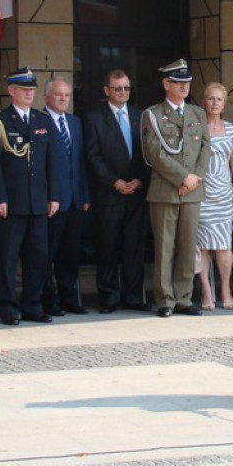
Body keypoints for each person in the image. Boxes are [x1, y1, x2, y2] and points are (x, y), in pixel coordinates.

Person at [0, 67, 61, 325]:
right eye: (23, 90)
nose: (28, 94)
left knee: (38, 257)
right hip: (11, 202)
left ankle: (32, 305)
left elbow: (52, 162)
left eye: (31, 90)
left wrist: (54, 196)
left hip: (38, 202)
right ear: (11, 91)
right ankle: (8, 307)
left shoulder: (42, 120)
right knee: (7, 258)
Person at [141, 59, 211, 317]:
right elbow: (155, 153)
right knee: (165, 246)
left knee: (187, 244)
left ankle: (184, 296)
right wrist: (183, 178)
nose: (184, 87)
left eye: (187, 82)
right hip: (166, 190)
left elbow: (206, 148)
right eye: (179, 82)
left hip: (192, 191)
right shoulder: (153, 114)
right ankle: (165, 299)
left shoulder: (197, 113)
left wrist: (195, 178)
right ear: (166, 84)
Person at [84, 69, 151, 313]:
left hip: (136, 193)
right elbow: (92, 156)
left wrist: (139, 181)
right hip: (109, 194)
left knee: (134, 248)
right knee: (109, 247)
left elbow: (149, 154)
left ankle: (133, 297)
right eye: (118, 88)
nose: (123, 92)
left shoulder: (140, 116)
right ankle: (109, 298)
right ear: (107, 91)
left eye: (126, 88)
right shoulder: (94, 118)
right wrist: (115, 182)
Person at [42, 78, 90, 316]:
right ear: (47, 97)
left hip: (74, 199)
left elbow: (80, 161)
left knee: (70, 254)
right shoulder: (38, 121)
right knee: (48, 253)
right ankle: (48, 300)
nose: (63, 99)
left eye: (66, 95)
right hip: (52, 201)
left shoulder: (75, 122)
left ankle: (69, 298)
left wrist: (84, 194)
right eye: (58, 95)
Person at [196, 82, 233, 310]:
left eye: (219, 99)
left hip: (224, 193)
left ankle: (225, 289)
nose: (215, 103)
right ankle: (206, 291)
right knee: (202, 246)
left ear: (225, 104)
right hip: (202, 192)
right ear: (204, 101)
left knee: (224, 245)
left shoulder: (231, 128)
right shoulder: (196, 127)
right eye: (211, 98)